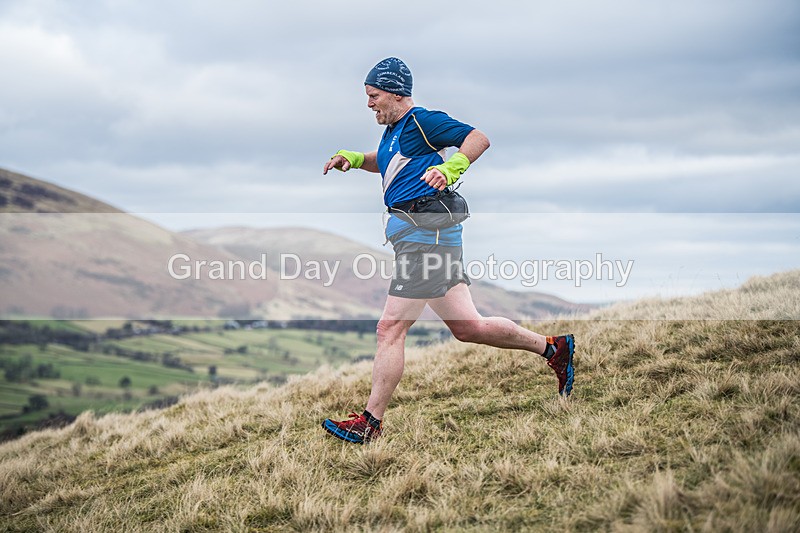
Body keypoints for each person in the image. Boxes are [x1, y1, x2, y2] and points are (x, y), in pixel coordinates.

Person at [321, 57, 575, 444]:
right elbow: (387, 163)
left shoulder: (423, 121)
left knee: (389, 329)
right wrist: (354, 160)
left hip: (428, 235)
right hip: (421, 236)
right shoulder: (393, 131)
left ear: (394, 92)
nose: (369, 104)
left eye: (373, 96)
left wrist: (452, 168)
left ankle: (370, 423)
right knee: (467, 327)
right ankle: (554, 349)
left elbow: (477, 138)